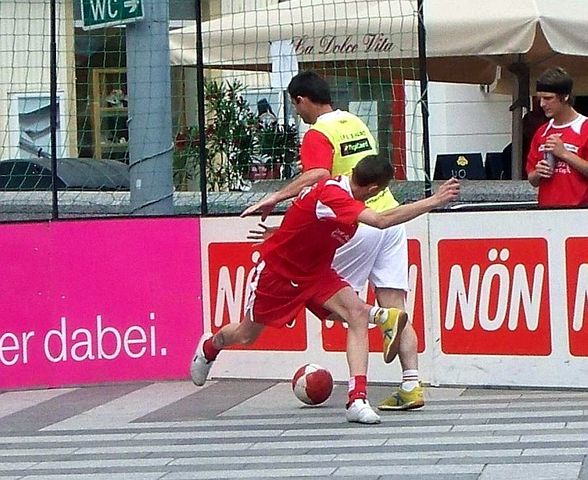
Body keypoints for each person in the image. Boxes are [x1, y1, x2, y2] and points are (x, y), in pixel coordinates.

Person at [191, 155, 460, 425]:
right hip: (279, 273)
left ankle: (357, 399)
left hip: (317, 273)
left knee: (355, 315)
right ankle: (209, 347)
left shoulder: (341, 195)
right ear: (374, 189)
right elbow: (379, 221)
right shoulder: (336, 194)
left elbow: (305, 218)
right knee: (246, 335)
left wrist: (283, 231)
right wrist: (434, 201)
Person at [241, 71, 425, 411]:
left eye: (295, 106)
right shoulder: (355, 121)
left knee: (333, 300)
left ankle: (362, 378)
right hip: (390, 218)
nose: (297, 113)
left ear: (301, 100)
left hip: (357, 222)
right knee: (394, 306)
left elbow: (319, 176)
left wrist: (276, 198)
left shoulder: (318, 133)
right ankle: (411, 383)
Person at [526, 67, 588, 206]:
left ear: (565, 96)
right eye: (540, 99)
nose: (542, 104)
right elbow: (532, 179)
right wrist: (538, 172)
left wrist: (564, 154)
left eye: (548, 98)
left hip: (580, 212)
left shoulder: (585, 128)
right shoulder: (541, 132)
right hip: (547, 211)